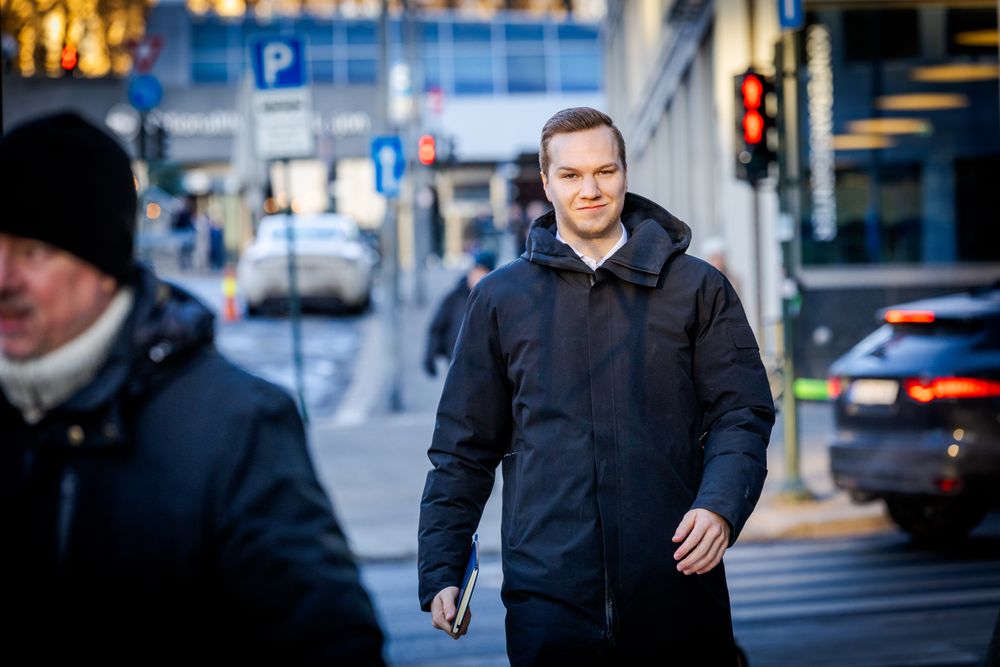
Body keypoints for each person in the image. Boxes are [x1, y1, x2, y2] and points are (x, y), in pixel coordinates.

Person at [0, 112, 385, 664]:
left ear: (103, 265)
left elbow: (329, 640)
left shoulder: (234, 427)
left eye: (32, 253)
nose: (4, 278)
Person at [417, 107, 774, 665]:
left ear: (625, 175)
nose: (590, 189)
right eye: (571, 175)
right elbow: (464, 449)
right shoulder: (499, 299)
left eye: (605, 172)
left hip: (677, 587)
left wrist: (721, 505)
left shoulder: (697, 287)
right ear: (546, 182)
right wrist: (441, 566)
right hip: (548, 602)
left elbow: (742, 413)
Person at [423, 250, 497, 377]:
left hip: (486, 369)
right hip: (456, 364)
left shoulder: (495, 299)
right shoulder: (454, 297)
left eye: (481, 272)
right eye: (474, 271)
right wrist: (429, 357)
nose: (476, 276)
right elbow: (436, 327)